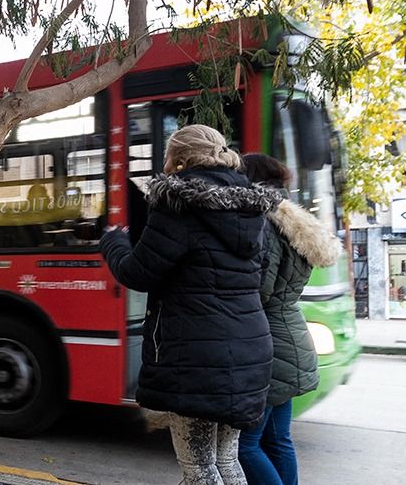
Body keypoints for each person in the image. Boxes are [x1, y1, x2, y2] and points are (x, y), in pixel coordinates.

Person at [100, 125, 281, 485]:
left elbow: (138, 273)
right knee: (227, 461)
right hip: (248, 350)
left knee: (200, 470)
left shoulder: (178, 207)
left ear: (179, 159)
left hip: (197, 357)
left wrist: (113, 243)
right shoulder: (250, 209)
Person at [236, 154, 341, 485]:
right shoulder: (293, 222)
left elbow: (260, 290)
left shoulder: (263, 223)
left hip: (268, 342)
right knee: (277, 440)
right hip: (290, 336)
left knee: (246, 447)